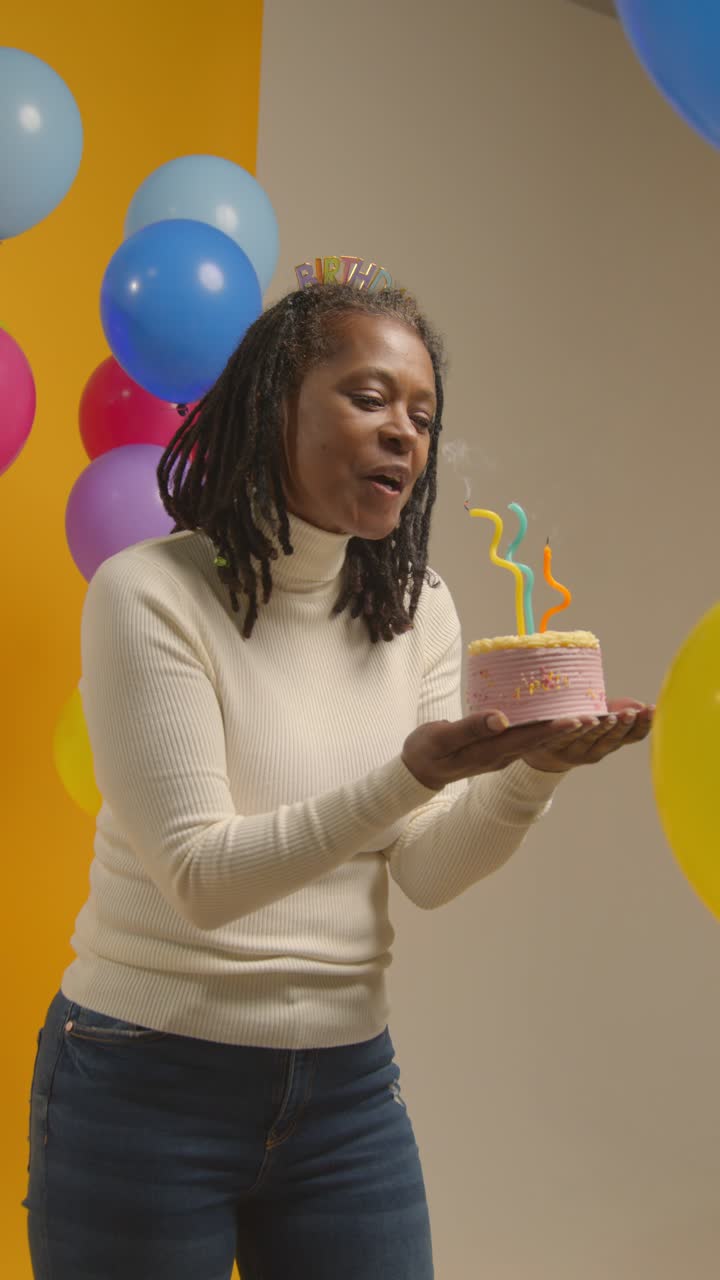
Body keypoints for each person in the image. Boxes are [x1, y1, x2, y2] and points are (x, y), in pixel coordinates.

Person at [23, 282, 652, 1280]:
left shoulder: (420, 608)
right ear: (275, 403)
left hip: (347, 1092)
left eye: (422, 413)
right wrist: (405, 774)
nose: (403, 431)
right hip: (144, 1082)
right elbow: (201, 876)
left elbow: (429, 869)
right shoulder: (149, 592)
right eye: (369, 397)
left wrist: (531, 772)